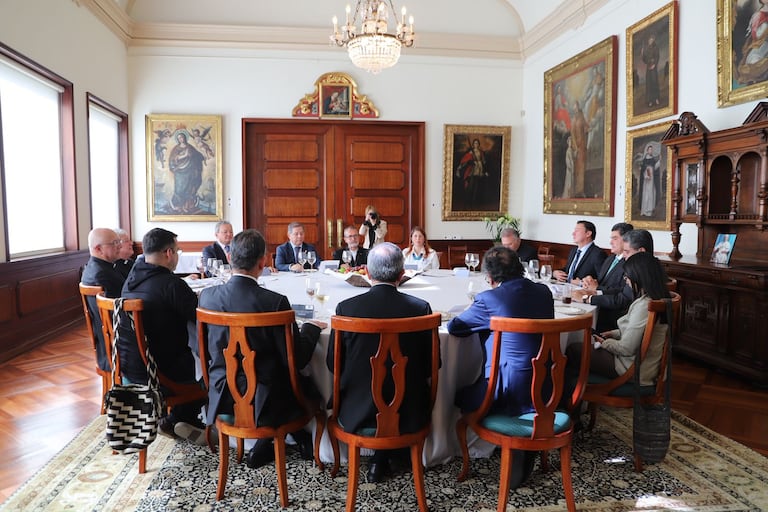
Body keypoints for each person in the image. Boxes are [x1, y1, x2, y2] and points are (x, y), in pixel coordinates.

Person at [199, 229, 326, 469]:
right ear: (262, 262)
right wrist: (310, 328)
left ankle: (270, 442)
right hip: (268, 401)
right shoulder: (274, 302)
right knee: (304, 382)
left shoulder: (207, 297)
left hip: (223, 394)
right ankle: (290, 436)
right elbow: (297, 359)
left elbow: (203, 349)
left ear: (229, 259)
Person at [326, 242, 435, 483]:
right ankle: (392, 455)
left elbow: (333, 365)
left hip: (358, 411)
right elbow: (432, 366)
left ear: (367, 273)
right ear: (401, 275)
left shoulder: (346, 309)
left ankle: (381, 457)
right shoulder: (421, 308)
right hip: (410, 411)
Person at [447, 246, 553, 489]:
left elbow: (455, 328)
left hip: (504, 390)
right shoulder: (544, 292)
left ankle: (505, 443)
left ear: (490, 278)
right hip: (546, 387)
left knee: (458, 395)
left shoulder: (489, 298)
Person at [118, 228, 205, 442]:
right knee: (214, 363)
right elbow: (202, 319)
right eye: (177, 251)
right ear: (168, 253)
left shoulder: (130, 279)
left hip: (131, 366)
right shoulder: (171, 284)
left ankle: (180, 419)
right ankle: (179, 417)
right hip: (162, 372)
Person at [565, 252, 671, 417]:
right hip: (645, 365)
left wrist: (603, 342)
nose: (626, 280)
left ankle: (569, 408)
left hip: (632, 369)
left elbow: (626, 348)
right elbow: (635, 330)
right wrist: (612, 334)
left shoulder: (645, 306)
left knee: (573, 350)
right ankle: (575, 406)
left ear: (638, 276)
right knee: (581, 348)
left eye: (627, 276)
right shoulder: (657, 298)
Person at [81, 228, 126, 372]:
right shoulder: (102, 274)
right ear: (98, 248)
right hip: (117, 348)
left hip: (108, 343)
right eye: (114, 243)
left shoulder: (95, 268)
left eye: (119, 241)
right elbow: (125, 308)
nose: (119, 245)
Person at [579, 222, 634, 332]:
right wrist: (589, 281)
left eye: (615, 238)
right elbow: (600, 282)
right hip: (600, 307)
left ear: (626, 240)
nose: (611, 242)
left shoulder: (630, 264)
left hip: (610, 319)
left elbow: (622, 293)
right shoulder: (610, 259)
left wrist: (597, 288)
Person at [168, 131, 205, 214]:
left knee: (189, 188)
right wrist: (183, 156)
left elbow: (197, 156)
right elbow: (172, 160)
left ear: (185, 138)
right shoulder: (176, 149)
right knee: (179, 189)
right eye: (179, 138)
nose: (181, 139)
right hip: (179, 172)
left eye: (182, 137)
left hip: (190, 171)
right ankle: (178, 206)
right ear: (177, 139)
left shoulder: (190, 147)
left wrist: (200, 157)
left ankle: (187, 206)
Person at [456, 138, 488, 204]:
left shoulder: (481, 152)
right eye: (475, 143)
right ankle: (469, 200)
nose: (476, 144)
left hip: (480, 168)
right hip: (473, 168)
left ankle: (475, 201)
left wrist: (485, 171)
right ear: (473, 144)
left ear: (478, 144)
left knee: (478, 185)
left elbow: (484, 162)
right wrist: (471, 161)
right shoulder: (471, 152)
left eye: (477, 143)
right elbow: (466, 160)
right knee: (471, 184)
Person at [641, 34, 660, 108]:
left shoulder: (656, 48)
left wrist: (654, 64)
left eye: (652, 40)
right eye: (650, 40)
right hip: (648, 67)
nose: (650, 41)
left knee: (654, 82)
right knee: (649, 84)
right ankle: (650, 101)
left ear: (653, 40)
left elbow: (657, 56)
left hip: (653, 67)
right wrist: (642, 54)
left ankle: (656, 99)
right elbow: (644, 60)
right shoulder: (646, 49)